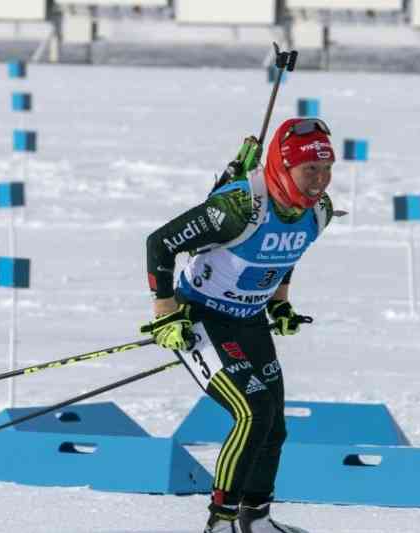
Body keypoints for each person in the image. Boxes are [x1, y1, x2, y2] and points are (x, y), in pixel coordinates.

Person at [141, 118, 335, 533]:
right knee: (253, 413)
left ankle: (255, 520)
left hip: (249, 321)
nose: (319, 181)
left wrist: (280, 305)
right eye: (309, 170)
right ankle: (221, 522)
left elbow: (287, 254)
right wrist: (165, 314)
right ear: (284, 169)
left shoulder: (319, 211)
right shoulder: (240, 206)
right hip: (203, 320)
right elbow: (160, 243)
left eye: (326, 169)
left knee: (274, 423)